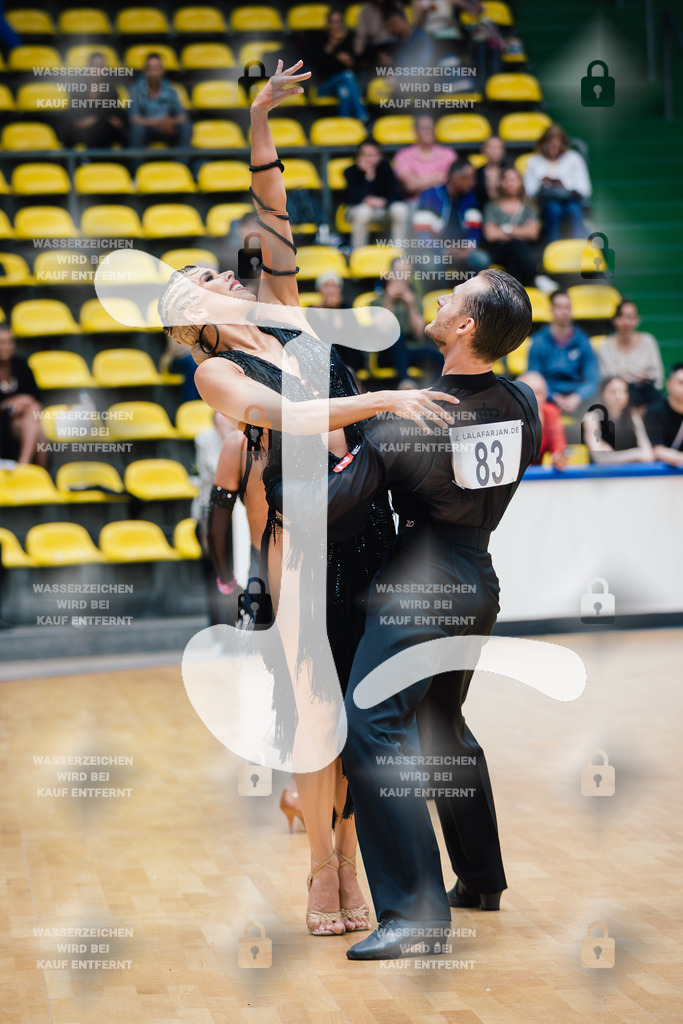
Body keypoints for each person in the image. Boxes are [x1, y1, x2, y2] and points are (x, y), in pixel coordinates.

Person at [157, 59, 459, 938]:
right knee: (316, 712)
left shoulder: (286, 308)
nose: (224, 271)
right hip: (298, 540)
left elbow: (274, 210)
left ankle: (356, 863)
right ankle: (323, 872)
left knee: (365, 713)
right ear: (192, 315)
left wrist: (259, 122)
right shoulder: (214, 370)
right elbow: (284, 415)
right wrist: (383, 400)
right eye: (202, 277)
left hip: (366, 527)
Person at [265, 269, 541, 960]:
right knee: (439, 723)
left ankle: (416, 912)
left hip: (419, 582)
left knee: (369, 725)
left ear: (465, 327)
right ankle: (478, 879)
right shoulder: (521, 401)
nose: (439, 303)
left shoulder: (409, 416)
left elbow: (322, 510)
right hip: (478, 577)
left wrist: (286, 464)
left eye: (453, 298)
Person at [527, 291, 599, 428]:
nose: (565, 312)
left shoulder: (583, 341)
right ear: (551, 310)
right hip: (547, 401)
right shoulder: (538, 342)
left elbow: (592, 379)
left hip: (578, 401)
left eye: (568, 307)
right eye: (560, 307)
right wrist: (553, 396)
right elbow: (533, 378)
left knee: (596, 414)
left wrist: (577, 396)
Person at [370, 257, 442, 381]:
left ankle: (444, 389)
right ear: (390, 274)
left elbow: (419, 334)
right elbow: (382, 331)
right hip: (386, 354)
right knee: (397, 335)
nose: (402, 277)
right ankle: (404, 381)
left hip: (410, 351)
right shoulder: (376, 301)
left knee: (436, 356)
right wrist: (389, 300)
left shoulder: (415, 300)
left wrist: (411, 305)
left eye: (406, 273)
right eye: (399, 272)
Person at [416, 157, 490, 272]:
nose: (473, 183)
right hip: (437, 250)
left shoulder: (470, 198)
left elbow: (475, 230)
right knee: (430, 263)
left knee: (481, 259)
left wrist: (468, 248)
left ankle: (472, 290)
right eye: (469, 178)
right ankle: (439, 291)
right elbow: (423, 234)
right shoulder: (431, 195)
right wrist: (444, 250)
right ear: (455, 177)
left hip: (463, 250)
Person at [523, 124, 591, 244]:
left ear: (562, 144)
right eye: (548, 145)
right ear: (543, 144)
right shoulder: (533, 161)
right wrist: (543, 183)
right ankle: (551, 249)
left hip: (571, 201)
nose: (552, 149)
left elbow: (585, 189)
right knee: (554, 209)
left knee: (573, 209)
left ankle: (581, 248)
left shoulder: (574, 158)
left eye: (556, 146)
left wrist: (562, 185)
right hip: (544, 204)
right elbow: (530, 191)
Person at [343, 140, 410, 250]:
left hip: (383, 210)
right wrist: (368, 176)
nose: (370, 159)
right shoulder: (350, 172)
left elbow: (396, 195)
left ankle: (398, 252)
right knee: (364, 211)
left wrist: (384, 202)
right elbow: (353, 198)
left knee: (400, 209)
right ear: (359, 156)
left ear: (380, 156)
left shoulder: (386, 169)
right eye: (366, 155)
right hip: (358, 211)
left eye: (374, 155)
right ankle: (357, 252)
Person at [305, 8, 368, 122]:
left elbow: (358, 67)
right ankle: (362, 115)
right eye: (332, 22)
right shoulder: (319, 40)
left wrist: (350, 62)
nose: (335, 26)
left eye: (338, 22)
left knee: (344, 92)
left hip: (343, 84)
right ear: (328, 24)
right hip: (323, 86)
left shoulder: (349, 40)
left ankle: (345, 124)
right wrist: (331, 46)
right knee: (347, 75)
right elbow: (316, 68)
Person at [597, 300, 664, 406]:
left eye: (631, 317)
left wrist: (628, 377)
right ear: (614, 320)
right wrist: (636, 378)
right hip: (617, 397)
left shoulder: (648, 341)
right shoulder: (605, 346)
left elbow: (657, 377)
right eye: (622, 317)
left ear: (637, 320)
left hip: (646, 394)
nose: (626, 322)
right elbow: (607, 377)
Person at [483, 166, 540, 287]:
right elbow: (491, 234)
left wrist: (505, 229)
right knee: (516, 245)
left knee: (516, 251)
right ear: (501, 183)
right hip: (499, 250)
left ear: (520, 182)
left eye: (513, 179)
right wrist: (520, 231)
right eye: (506, 180)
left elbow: (533, 233)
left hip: (522, 251)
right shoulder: (492, 206)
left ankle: (516, 290)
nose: (510, 183)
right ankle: (536, 278)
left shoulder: (530, 207)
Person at [0, 323, 47, 467]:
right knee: (39, 432)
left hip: (20, 423)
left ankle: (23, 465)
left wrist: (24, 401)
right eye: (1, 342)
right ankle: (36, 474)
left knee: (33, 413)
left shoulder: (22, 366)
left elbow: (37, 401)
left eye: (9, 342)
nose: (6, 346)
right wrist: (12, 402)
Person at [129, 53, 191, 159]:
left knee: (186, 127)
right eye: (150, 69)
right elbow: (134, 119)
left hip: (168, 129)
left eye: (156, 69)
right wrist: (159, 123)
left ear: (162, 71)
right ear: (145, 71)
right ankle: (136, 169)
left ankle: (182, 166)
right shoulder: (135, 90)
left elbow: (182, 117)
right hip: (147, 129)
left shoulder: (171, 90)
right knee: (137, 130)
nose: (153, 72)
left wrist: (170, 122)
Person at [583, 376, 654, 465]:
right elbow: (599, 458)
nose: (619, 396)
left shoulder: (633, 417)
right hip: (600, 475)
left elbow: (648, 455)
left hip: (631, 474)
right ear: (602, 394)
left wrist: (611, 456)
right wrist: (636, 454)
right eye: (613, 392)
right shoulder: (592, 417)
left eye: (624, 391)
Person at [64, 52, 126, 149]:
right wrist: (86, 122)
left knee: (105, 129)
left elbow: (116, 119)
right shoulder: (77, 90)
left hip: (105, 131)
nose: (98, 70)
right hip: (83, 132)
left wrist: (97, 120)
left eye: (101, 67)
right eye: (95, 66)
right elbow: (73, 119)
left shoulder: (112, 90)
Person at [393, 115, 458, 204]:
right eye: (424, 128)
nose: (428, 131)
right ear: (416, 131)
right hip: (415, 204)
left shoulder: (448, 154)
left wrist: (419, 180)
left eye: (431, 128)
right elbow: (410, 185)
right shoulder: (403, 155)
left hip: (444, 202)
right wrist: (435, 178)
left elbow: (454, 182)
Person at [518, 371, 567, 468]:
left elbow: (559, 448)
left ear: (545, 396)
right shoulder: (507, 414)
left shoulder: (551, 413)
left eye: (538, 393)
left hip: (535, 477)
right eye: (529, 392)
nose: (533, 397)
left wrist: (559, 458)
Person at [644, 363, 683, 467]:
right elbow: (657, 450)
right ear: (669, 384)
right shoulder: (655, 411)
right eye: (681, 383)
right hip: (659, 475)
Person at [473, 135, 507, 209]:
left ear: (503, 150)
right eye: (491, 147)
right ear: (483, 149)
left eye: (498, 147)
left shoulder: (509, 171)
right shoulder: (477, 173)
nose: (495, 151)